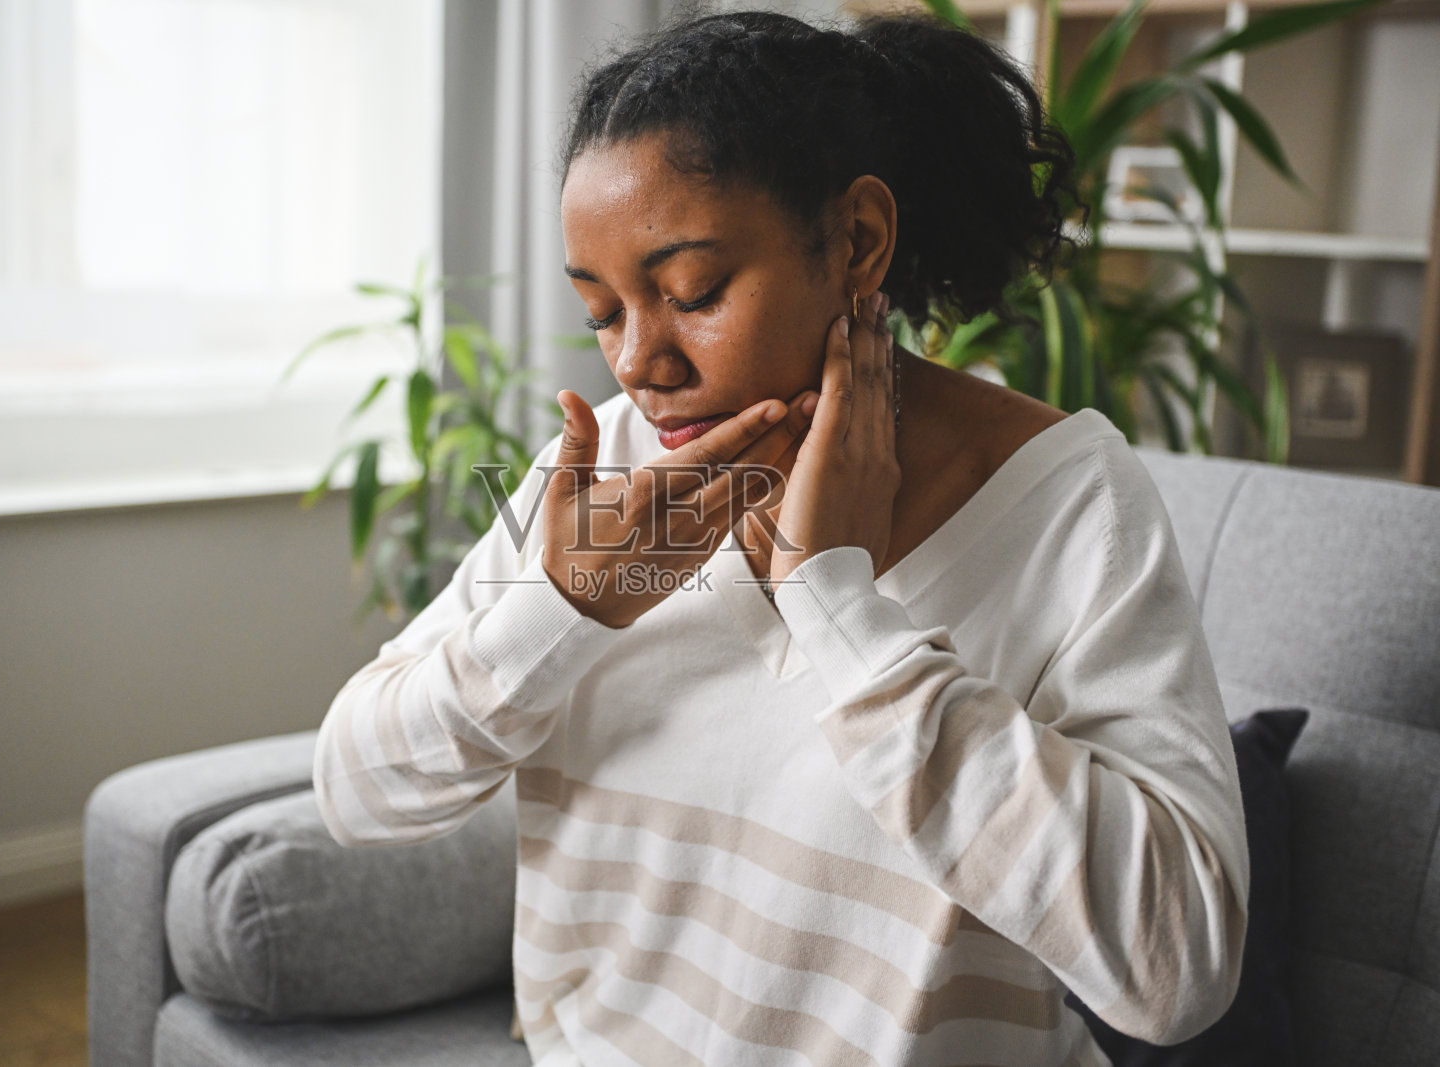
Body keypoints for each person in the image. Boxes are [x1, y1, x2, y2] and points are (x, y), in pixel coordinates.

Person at [313, 10, 1249, 1066]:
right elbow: (355, 789)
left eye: (692, 292)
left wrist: (841, 610)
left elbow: (1178, 969)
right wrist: (565, 608)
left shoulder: (1066, 499)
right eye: (604, 312)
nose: (638, 363)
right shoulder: (600, 473)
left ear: (856, 241)